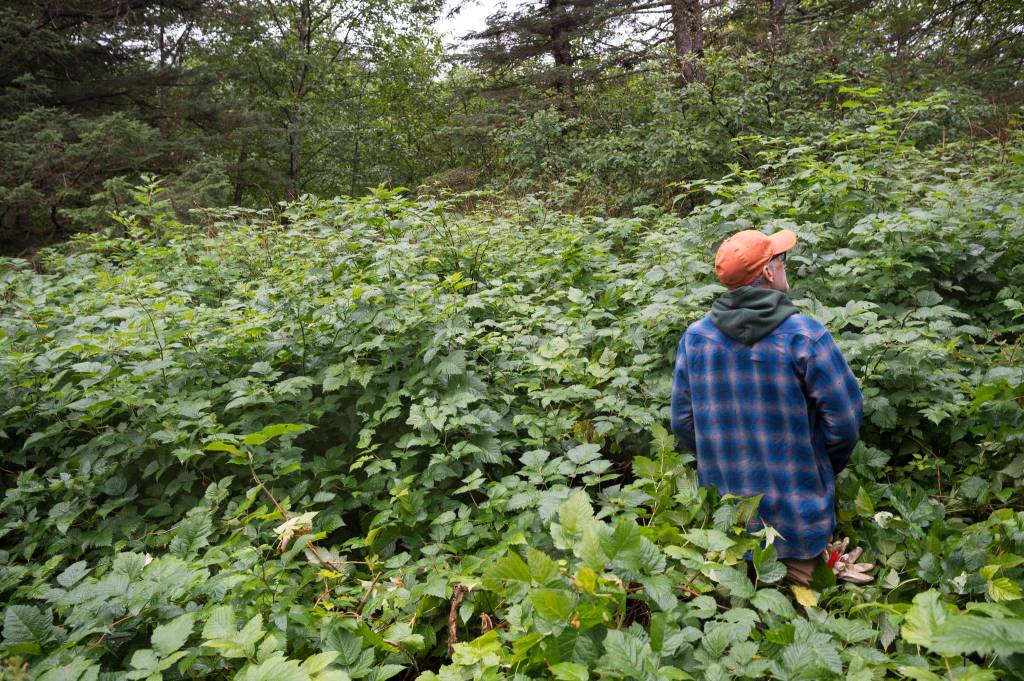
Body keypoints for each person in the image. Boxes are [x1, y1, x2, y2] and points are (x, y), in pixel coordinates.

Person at [670, 228, 873, 586]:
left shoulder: (696, 339)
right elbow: (844, 423)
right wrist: (818, 468)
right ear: (767, 272)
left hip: (727, 529)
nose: (783, 265)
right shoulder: (805, 336)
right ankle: (820, 568)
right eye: (780, 259)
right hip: (799, 527)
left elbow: (683, 423)